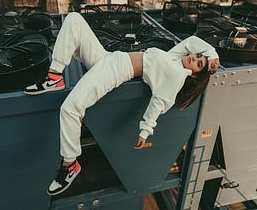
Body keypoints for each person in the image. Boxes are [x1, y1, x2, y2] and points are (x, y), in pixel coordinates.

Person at [25, 12, 220, 196]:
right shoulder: (175, 57)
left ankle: (70, 165)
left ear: (194, 74)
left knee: (70, 109)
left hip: (115, 71)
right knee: (74, 19)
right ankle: (54, 76)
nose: (194, 57)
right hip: (109, 57)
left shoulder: (177, 76)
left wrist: (145, 131)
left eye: (199, 63)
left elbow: (159, 103)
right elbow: (192, 42)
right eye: (197, 56)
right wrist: (211, 54)